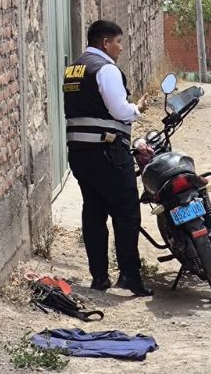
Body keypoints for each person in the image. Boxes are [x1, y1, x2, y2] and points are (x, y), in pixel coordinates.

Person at [63, 20, 153, 296]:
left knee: (93, 213)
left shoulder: (74, 69)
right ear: (105, 43)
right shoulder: (105, 69)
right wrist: (137, 108)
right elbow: (119, 111)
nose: (121, 48)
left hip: (80, 154)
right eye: (118, 42)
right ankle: (129, 277)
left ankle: (99, 277)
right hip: (108, 153)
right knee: (126, 213)